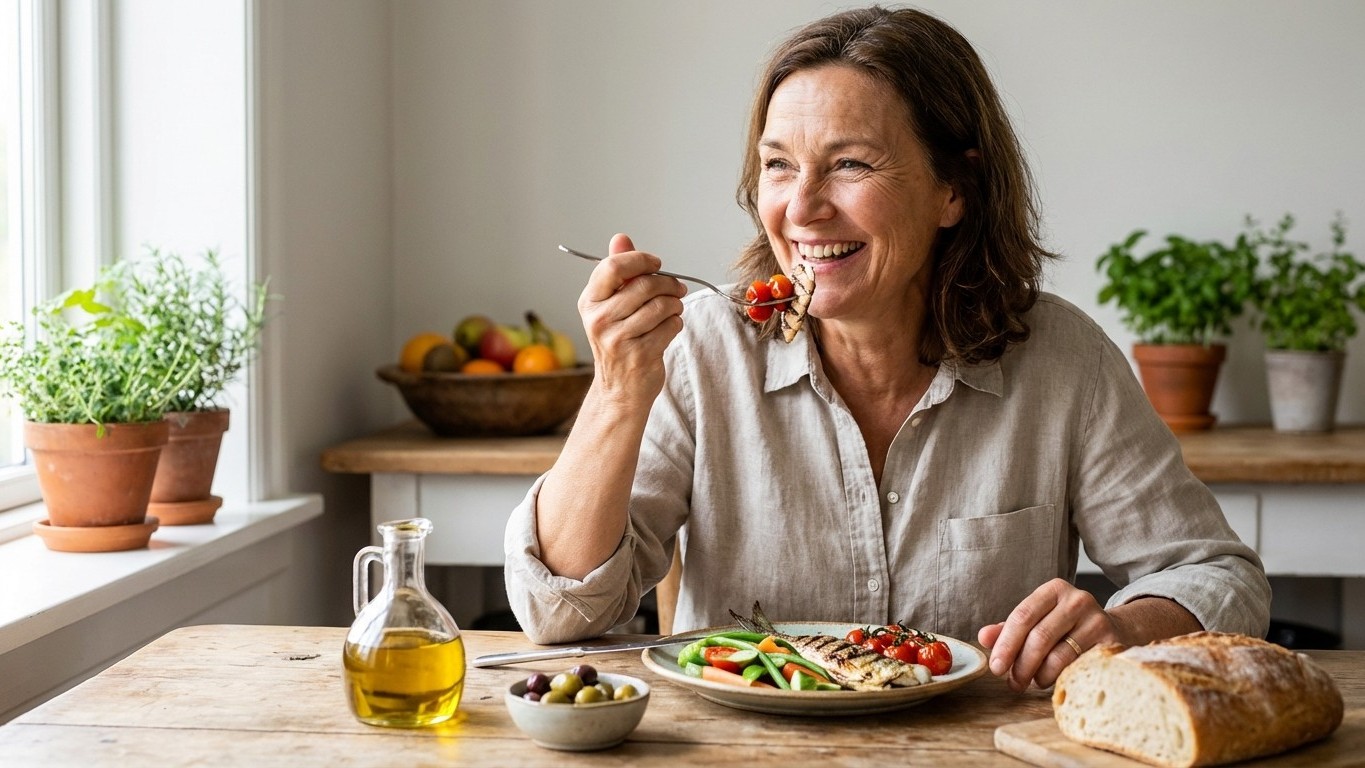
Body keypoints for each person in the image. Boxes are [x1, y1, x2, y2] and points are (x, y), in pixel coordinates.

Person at [504, 5, 1270, 692]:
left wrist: (1121, 628)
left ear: (952, 190)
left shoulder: (1060, 358)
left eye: (849, 164)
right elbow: (557, 612)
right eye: (777, 165)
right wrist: (615, 392)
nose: (800, 209)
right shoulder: (702, 346)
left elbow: (1215, 573)